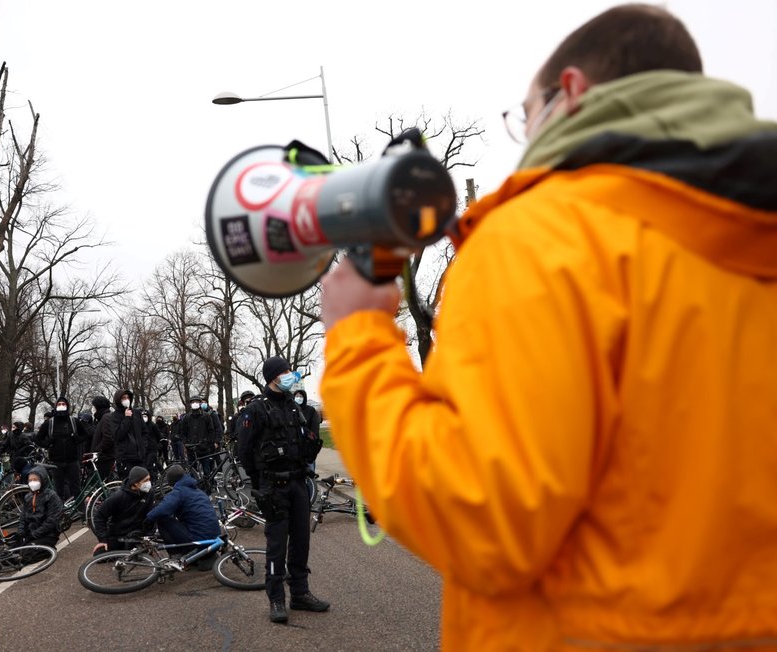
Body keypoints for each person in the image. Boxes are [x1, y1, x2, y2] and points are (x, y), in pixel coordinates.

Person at [319, 5, 777, 650]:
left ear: (571, 92)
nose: (527, 135)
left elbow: (481, 518)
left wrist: (359, 337)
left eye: (525, 115)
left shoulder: (543, 237)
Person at [237, 356, 328, 623]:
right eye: (286, 371)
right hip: (273, 486)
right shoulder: (256, 410)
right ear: (274, 376)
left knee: (301, 542)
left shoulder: (292, 406)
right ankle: (276, 598)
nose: (291, 375)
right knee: (277, 546)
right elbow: (244, 451)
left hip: (299, 483)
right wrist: (259, 484)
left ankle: (300, 593)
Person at [146, 464, 221, 568]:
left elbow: (161, 510)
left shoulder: (179, 492)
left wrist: (147, 519)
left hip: (200, 542)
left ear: (171, 481)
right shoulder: (198, 491)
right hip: (214, 538)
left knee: (162, 518)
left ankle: (176, 554)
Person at [91, 465, 154, 555]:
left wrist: (149, 535)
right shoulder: (118, 496)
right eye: (146, 480)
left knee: (138, 551)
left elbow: (151, 514)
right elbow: (99, 517)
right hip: (118, 533)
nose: (149, 483)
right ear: (136, 483)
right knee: (99, 554)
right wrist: (103, 540)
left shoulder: (149, 493)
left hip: (137, 533)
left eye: (149, 479)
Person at [35, 396, 81, 501]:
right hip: (56, 461)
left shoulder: (74, 421)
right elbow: (38, 439)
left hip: (72, 460)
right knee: (58, 489)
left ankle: (78, 512)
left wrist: (77, 439)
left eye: (63, 404)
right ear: (55, 406)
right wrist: (48, 444)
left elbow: (85, 435)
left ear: (67, 406)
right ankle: (59, 512)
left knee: (76, 488)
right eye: (59, 404)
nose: (61, 406)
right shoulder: (49, 423)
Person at [97, 389, 145, 481]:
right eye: (123, 398)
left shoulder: (136, 413)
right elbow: (118, 435)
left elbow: (144, 432)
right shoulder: (114, 416)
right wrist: (126, 418)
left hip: (139, 457)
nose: (126, 400)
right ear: (118, 400)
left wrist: (143, 446)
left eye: (128, 397)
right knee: (129, 484)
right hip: (125, 458)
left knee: (142, 483)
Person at [179, 396, 219, 489]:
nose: (195, 404)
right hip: (191, 449)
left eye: (197, 402)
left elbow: (211, 431)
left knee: (207, 471)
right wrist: (186, 443)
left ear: (200, 403)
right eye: (193, 402)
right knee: (192, 471)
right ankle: (193, 489)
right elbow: (183, 433)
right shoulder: (186, 418)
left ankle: (207, 489)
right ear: (190, 404)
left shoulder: (206, 416)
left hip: (204, 449)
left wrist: (208, 443)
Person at [17, 467, 61, 548]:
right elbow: (23, 517)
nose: (32, 482)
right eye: (30, 480)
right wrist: (21, 532)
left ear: (42, 480)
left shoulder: (51, 496)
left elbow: (52, 520)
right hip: (31, 532)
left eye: (35, 480)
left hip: (47, 534)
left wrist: (34, 534)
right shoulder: (28, 496)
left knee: (26, 554)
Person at [88, 396, 114, 480]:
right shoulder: (102, 418)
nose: (93, 409)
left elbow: (108, 438)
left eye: (94, 406)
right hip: (103, 458)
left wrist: (97, 450)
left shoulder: (106, 418)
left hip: (104, 459)